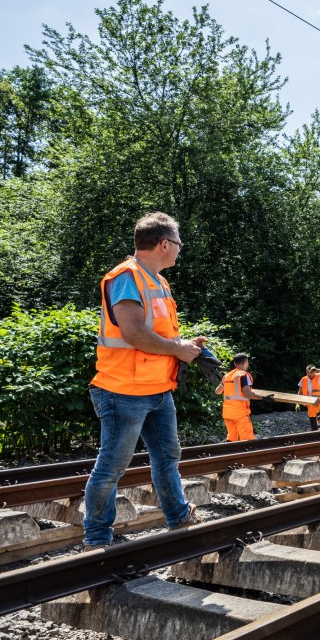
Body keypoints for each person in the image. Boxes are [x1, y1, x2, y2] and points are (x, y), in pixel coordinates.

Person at [84, 212, 205, 547]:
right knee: (112, 467)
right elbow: (135, 333)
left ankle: (179, 517)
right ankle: (97, 537)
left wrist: (184, 347)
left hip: (157, 389)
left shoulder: (158, 282)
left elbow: (158, 336)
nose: (181, 250)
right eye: (179, 243)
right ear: (164, 244)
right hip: (123, 390)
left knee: (167, 457)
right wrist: (176, 350)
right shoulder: (126, 276)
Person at [216, 353, 267, 441]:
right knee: (247, 439)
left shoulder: (227, 376)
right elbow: (247, 393)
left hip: (227, 413)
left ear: (235, 364)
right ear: (246, 362)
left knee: (232, 438)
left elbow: (218, 391)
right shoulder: (244, 375)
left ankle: (231, 453)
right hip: (240, 413)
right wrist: (262, 398)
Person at [298, 364, 320, 431]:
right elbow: (300, 392)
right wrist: (297, 402)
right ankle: (315, 435)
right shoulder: (303, 379)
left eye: (311, 372)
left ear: (314, 372)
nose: (309, 374)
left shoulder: (319, 376)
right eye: (307, 372)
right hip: (310, 405)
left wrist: (317, 370)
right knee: (313, 426)